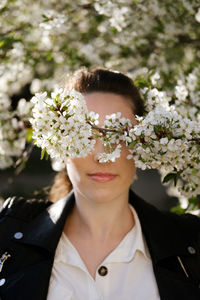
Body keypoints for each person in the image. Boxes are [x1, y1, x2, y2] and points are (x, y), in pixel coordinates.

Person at [0, 68, 200, 300]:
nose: (104, 155)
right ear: (61, 143)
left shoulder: (189, 244)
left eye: (119, 135)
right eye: (85, 136)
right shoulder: (8, 238)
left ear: (143, 143)